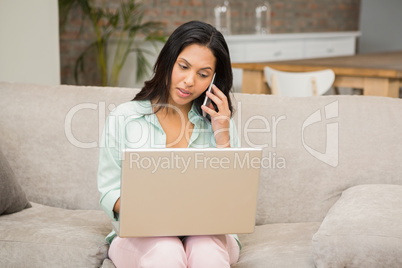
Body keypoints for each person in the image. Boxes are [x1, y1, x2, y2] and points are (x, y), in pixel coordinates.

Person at [97, 20, 240, 268]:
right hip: (141, 234)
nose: (189, 81)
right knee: (166, 248)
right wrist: (154, 212)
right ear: (168, 61)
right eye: (183, 67)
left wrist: (222, 135)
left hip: (210, 233)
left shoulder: (220, 123)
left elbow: (235, 200)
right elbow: (109, 191)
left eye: (203, 74)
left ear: (214, 79)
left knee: (204, 247)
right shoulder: (125, 117)